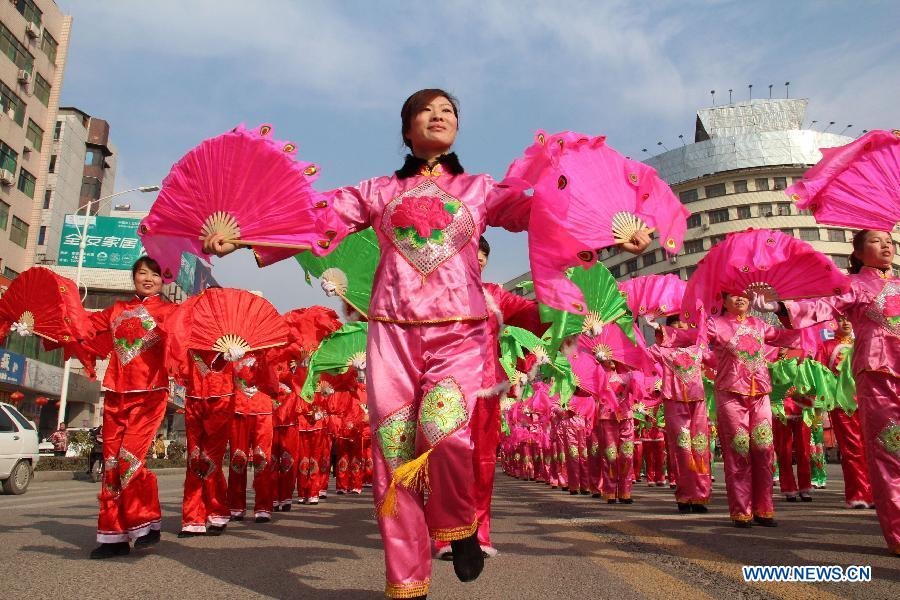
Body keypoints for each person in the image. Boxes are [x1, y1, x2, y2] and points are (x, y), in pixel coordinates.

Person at [202, 88, 650, 598]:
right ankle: (406, 578)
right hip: (391, 333)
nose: (440, 117)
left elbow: (539, 213)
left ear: (456, 128)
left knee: (445, 432)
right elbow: (316, 220)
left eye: (449, 112)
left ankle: (459, 527)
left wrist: (606, 235)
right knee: (393, 453)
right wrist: (244, 237)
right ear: (408, 128)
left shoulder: (480, 189)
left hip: (458, 331)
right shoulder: (375, 192)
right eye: (428, 111)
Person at [755, 229, 899, 554]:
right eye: (876, 241)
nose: (886, 244)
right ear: (859, 253)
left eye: (888, 240)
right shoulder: (854, 286)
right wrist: (781, 306)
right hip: (877, 375)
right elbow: (823, 305)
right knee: (890, 450)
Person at [666, 293, 799, 528]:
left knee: (764, 449)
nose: (741, 299)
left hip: (760, 395)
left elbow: (788, 337)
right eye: (734, 295)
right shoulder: (715, 325)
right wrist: (661, 331)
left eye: (745, 294)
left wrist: (780, 310)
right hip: (730, 393)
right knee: (739, 451)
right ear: (723, 300)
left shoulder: (758, 325)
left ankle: (764, 509)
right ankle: (742, 511)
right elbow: (690, 338)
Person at [86, 256, 177, 559]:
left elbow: (190, 337)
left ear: (164, 279)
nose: (147, 278)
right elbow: (84, 326)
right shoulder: (116, 310)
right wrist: (53, 326)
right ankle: (113, 536)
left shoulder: (170, 312)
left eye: (154, 273)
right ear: (133, 277)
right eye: (142, 273)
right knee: (111, 466)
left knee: (129, 462)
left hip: (149, 395)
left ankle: (147, 523)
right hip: (116, 394)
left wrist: (223, 352)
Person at [647, 314, 712, 513]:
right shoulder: (662, 350)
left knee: (700, 447)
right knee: (682, 449)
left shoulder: (698, 348)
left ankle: (701, 496)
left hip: (698, 402)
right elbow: (638, 354)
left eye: (685, 323)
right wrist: (634, 326)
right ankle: (685, 495)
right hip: (674, 403)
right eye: (675, 324)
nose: (681, 327)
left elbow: (718, 358)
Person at [179, 350, 235, 537]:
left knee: (210, 459)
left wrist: (237, 357)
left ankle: (217, 512)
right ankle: (192, 518)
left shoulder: (231, 330)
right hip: (194, 397)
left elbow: (253, 374)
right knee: (194, 458)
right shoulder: (191, 328)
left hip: (221, 399)